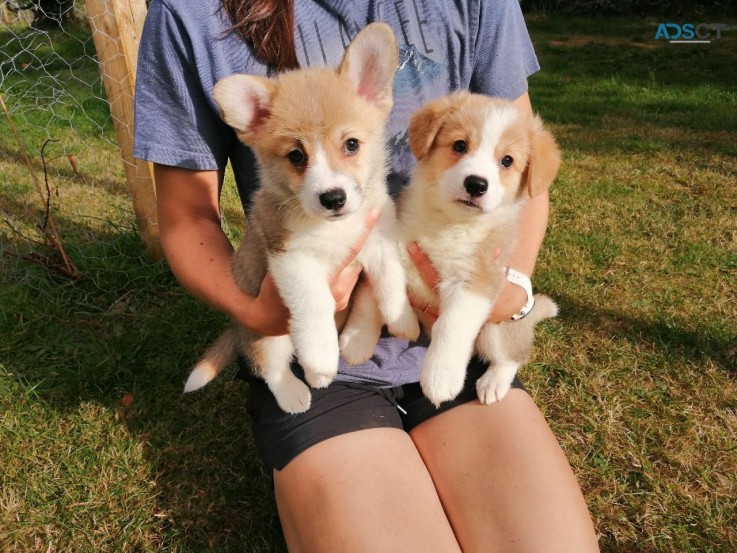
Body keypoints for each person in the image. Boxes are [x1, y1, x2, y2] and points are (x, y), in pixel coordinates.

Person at [134, 1, 600, 551]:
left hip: (453, 338)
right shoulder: (192, 12)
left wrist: (512, 289)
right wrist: (262, 314)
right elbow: (186, 217)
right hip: (323, 366)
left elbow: (522, 165)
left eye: (350, 147)